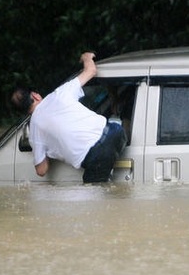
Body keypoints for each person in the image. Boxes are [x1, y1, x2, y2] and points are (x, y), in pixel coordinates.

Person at [10, 52, 126, 183]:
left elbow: (41, 170)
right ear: (35, 96)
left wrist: (52, 149)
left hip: (96, 156)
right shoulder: (60, 93)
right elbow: (91, 70)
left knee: (93, 196)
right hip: (116, 132)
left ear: (22, 112)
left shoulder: (35, 129)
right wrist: (86, 57)